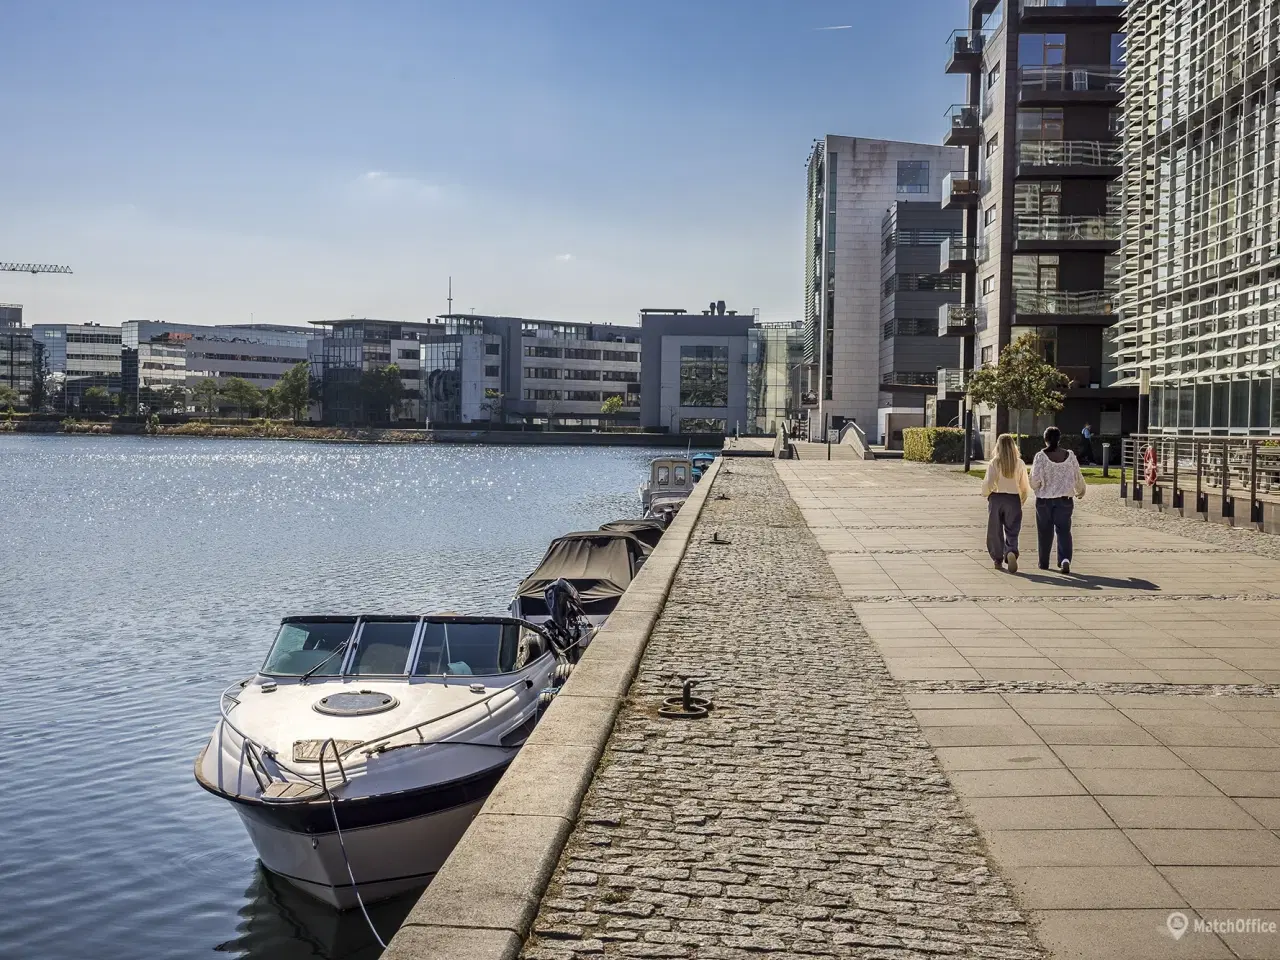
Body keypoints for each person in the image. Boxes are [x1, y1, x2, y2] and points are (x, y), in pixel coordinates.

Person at [1030, 426, 1087, 573]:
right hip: (1065, 500)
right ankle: (1065, 559)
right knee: (1064, 530)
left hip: (1044, 500)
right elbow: (1077, 476)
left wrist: (1037, 487)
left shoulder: (1040, 456)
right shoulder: (1070, 456)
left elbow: (1034, 480)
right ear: (1059, 439)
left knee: (1044, 531)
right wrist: (1080, 491)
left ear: (1045, 439)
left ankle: (1044, 562)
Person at [981, 433, 1031, 573]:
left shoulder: (995, 462)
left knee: (995, 530)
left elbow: (989, 482)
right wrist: (1021, 500)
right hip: (1013, 499)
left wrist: (987, 493)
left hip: (997, 498)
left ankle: (997, 559)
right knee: (1012, 529)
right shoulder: (1019, 463)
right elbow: (1024, 486)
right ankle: (1011, 551)